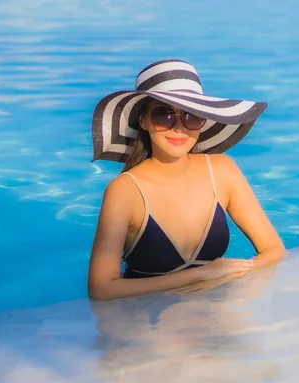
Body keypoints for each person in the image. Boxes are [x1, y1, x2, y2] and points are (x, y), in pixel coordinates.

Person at [87, 59, 286, 301]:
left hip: (212, 310)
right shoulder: (125, 190)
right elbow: (101, 288)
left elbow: (274, 250)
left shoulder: (222, 170)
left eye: (191, 116)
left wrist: (227, 275)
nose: (179, 128)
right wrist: (199, 276)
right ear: (143, 121)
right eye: (165, 115)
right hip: (146, 321)